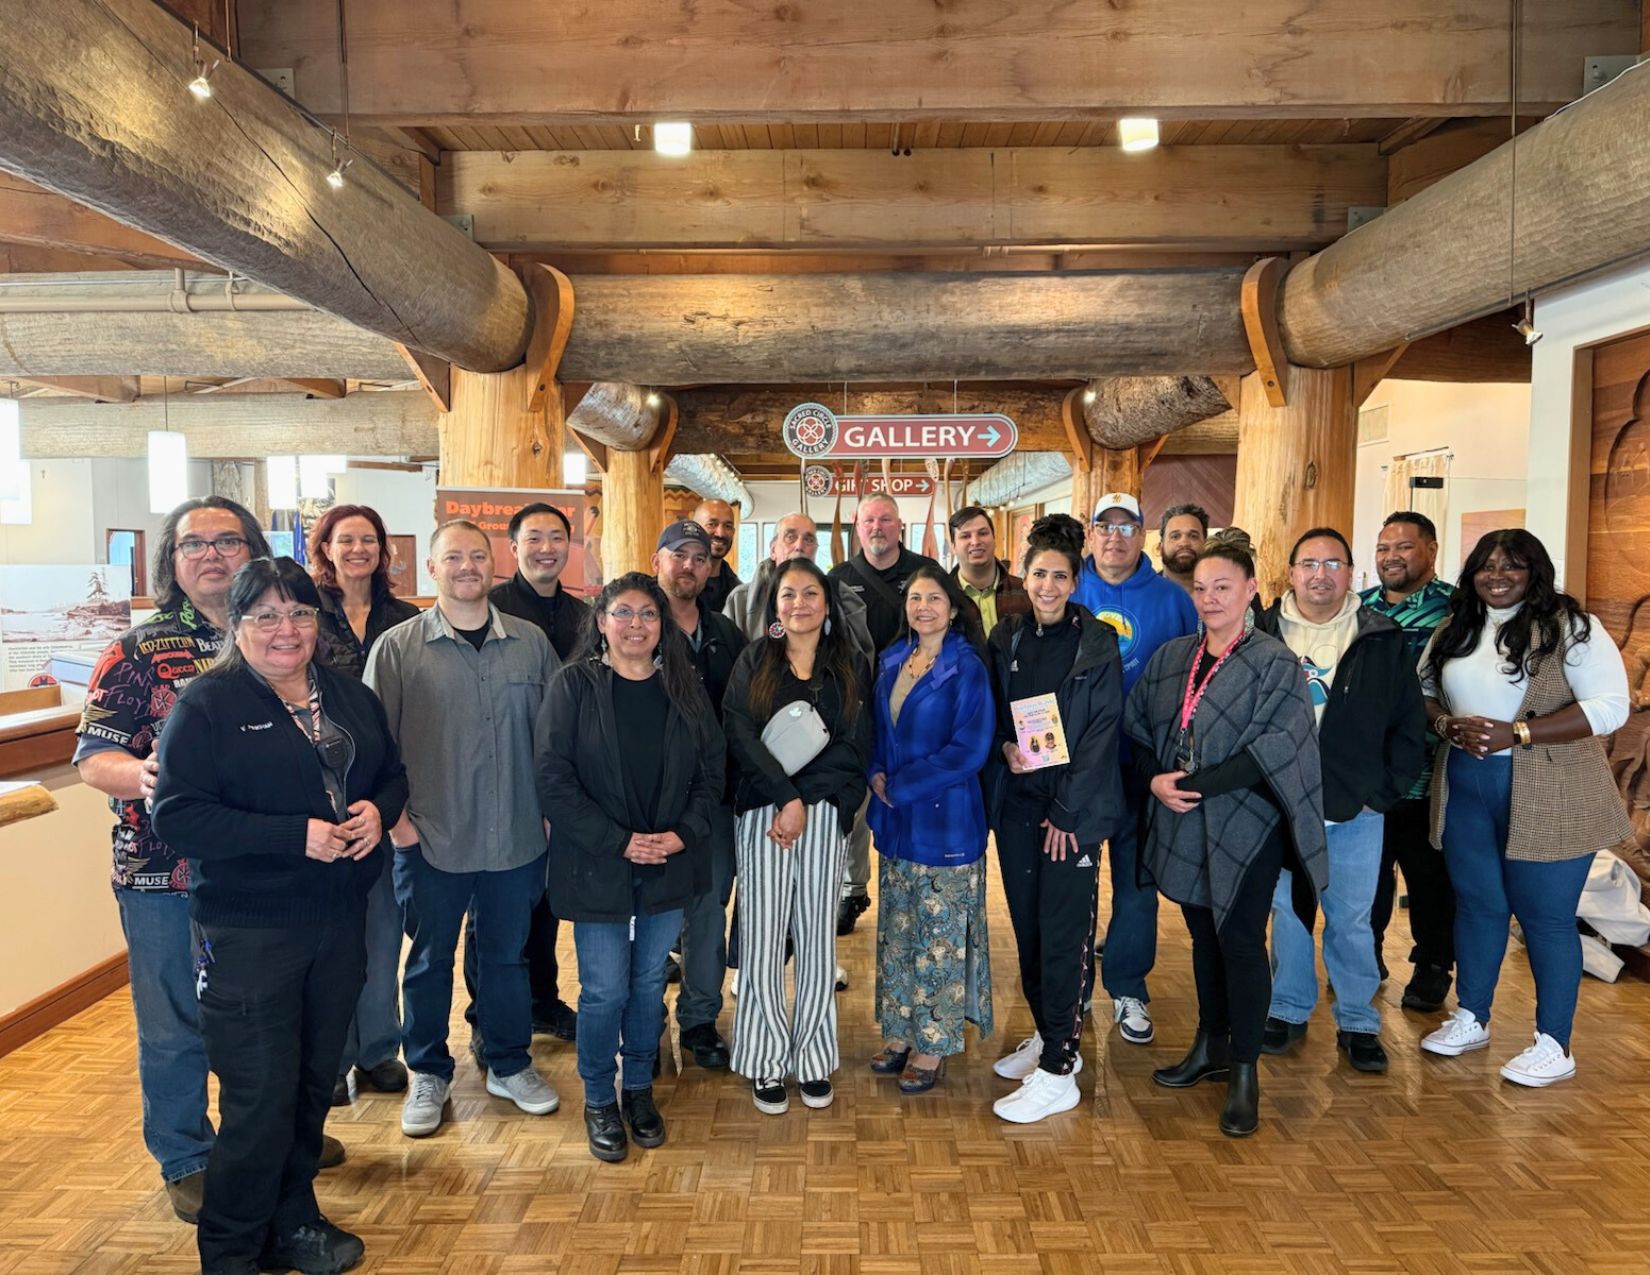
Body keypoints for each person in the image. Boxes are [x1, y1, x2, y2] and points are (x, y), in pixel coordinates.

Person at [151, 557, 407, 1275]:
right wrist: (291, 833)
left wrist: (376, 814)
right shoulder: (209, 704)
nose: (284, 629)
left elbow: (393, 772)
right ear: (236, 627)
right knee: (259, 1098)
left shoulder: (349, 696)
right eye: (263, 615)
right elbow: (179, 815)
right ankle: (232, 1250)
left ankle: (294, 1218)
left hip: (337, 921)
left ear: (317, 622)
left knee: (309, 1084)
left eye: (297, 612)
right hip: (251, 931)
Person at [74, 497, 289, 1227]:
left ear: (252, 549)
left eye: (228, 540)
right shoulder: (139, 650)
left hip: (266, 868)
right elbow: (94, 757)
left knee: (262, 1014)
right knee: (174, 1019)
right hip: (163, 873)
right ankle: (187, 1154)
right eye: (193, 543)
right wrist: (147, 776)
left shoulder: (283, 633)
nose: (211, 554)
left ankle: (263, 1139)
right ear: (171, 561)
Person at [364, 520, 562, 1139]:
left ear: (493, 565)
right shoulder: (396, 649)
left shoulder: (530, 644)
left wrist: (553, 812)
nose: (467, 567)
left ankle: (507, 1061)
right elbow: (374, 749)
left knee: (507, 956)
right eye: (453, 557)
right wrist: (397, 826)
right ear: (431, 568)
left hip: (518, 836)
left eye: (478, 556)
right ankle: (428, 1070)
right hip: (430, 836)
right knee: (427, 961)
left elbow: (558, 735)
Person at [1125, 541, 1327, 1137]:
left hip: (1247, 820)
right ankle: (1210, 1047)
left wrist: (1191, 783)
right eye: (1201, 589)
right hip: (1183, 814)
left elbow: (1275, 747)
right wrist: (1153, 780)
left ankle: (1245, 1071)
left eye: (1222, 587)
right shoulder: (1171, 658)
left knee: (1238, 939)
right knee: (1201, 937)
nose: (1210, 598)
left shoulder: (1275, 662)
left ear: (1250, 591)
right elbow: (1136, 728)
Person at [1418, 530, 1632, 1086]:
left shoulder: (1572, 628)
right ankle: (1472, 1015)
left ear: (1535, 571)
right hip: (1466, 782)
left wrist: (1519, 733)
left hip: (1550, 785)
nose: (1497, 575)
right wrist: (1444, 722)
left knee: (1546, 917)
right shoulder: (1455, 627)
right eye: (1487, 565)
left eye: (1512, 565)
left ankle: (1554, 1043)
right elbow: (1423, 689)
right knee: (1478, 905)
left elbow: (1612, 707)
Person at [536, 572, 724, 1161]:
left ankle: (638, 1088)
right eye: (623, 613)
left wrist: (680, 835)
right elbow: (553, 779)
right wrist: (620, 841)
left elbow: (711, 775)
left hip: (669, 862)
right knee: (603, 989)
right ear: (601, 621)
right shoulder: (573, 686)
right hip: (598, 863)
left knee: (647, 984)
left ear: (662, 626)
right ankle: (598, 1095)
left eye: (648, 614)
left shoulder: (684, 685)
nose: (636, 625)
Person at [1256, 527, 1426, 1074]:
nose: (1320, 574)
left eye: (1333, 564)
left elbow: (1408, 723)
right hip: (1281, 804)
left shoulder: (1380, 636)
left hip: (1357, 806)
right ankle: (1287, 1009)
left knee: (1351, 918)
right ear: (1292, 571)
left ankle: (1357, 1020)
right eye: (1309, 563)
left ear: (1352, 573)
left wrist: (1384, 794)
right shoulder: (1262, 631)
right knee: (1286, 912)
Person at [984, 514, 1125, 1124]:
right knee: (1031, 930)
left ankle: (1061, 1069)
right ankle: (1048, 1034)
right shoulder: (1007, 639)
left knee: (1066, 935)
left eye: (1059, 576)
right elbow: (992, 711)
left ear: (1075, 580)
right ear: (1026, 572)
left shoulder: (1097, 644)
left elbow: (1100, 735)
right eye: (1039, 573)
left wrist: (1068, 813)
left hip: (1073, 814)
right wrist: (1003, 747)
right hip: (1018, 806)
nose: (1047, 585)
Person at [722, 557, 872, 1115]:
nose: (799, 604)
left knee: (815, 943)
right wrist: (784, 799)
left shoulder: (850, 665)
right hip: (763, 815)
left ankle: (811, 1060)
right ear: (775, 604)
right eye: (789, 594)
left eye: (811, 594)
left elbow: (855, 748)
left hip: (823, 818)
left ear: (827, 604)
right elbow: (738, 731)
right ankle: (764, 1059)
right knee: (761, 944)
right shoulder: (755, 659)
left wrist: (809, 804)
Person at [1071, 492, 1199, 1046]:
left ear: (1143, 535)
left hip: (1144, 764)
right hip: (1078, 768)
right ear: (1091, 533)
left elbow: (1196, 675)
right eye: (1106, 526)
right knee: (1071, 882)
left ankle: (1127, 986)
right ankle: (1067, 989)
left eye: (1128, 527)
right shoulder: (1066, 587)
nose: (1116, 537)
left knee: (1136, 882)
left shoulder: (1173, 599)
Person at [306, 504, 419, 1109]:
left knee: (381, 931)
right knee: (327, 943)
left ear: (383, 550)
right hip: (313, 801)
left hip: (382, 797)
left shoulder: (405, 619)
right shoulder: (304, 615)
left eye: (368, 540)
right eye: (345, 539)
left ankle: (379, 1049)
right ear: (325, 547)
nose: (357, 550)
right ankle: (332, 1058)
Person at [867, 566, 996, 1093]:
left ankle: (932, 1043)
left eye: (934, 598)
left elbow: (970, 749)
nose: (924, 607)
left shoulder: (966, 667)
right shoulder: (893, 658)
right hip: (897, 821)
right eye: (915, 598)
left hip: (946, 822)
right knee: (898, 932)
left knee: (939, 940)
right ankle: (899, 1031)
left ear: (952, 605)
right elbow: (878, 729)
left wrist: (902, 785)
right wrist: (875, 770)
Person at [468, 500, 587, 1051]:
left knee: (545, 902)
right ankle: (484, 1016)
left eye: (556, 538)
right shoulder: (489, 608)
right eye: (533, 538)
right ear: (512, 548)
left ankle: (542, 1000)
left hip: (563, 781)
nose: (546, 548)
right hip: (502, 779)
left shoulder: (583, 614)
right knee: (495, 911)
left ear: (570, 546)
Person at [653, 519, 747, 1069]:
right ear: (659, 558)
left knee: (709, 909)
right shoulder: (634, 623)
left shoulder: (726, 636)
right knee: (652, 916)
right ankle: (645, 1021)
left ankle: (700, 1020)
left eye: (700, 557)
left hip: (714, 802)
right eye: (679, 554)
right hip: (649, 804)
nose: (689, 565)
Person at [830, 495, 944, 934]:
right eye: (868, 520)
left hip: (913, 711)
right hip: (855, 709)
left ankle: (915, 887)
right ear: (858, 528)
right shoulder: (837, 579)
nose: (876, 527)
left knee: (910, 796)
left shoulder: (924, 575)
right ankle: (851, 887)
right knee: (853, 804)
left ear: (900, 526)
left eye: (885, 519)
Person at [1360, 511, 1458, 1011]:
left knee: (1428, 877)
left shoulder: (1456, 609)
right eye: (1383, 548)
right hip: (1367, 773)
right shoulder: (1358, 608)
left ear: (1431, 550)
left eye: (1403, 547)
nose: (1391, 557)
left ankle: (1433, 965)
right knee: (1367, 876)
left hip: (1429, 771)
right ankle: (1365, 955)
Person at [947, 504, 1030, 634]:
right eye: (965, 536)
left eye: (983, 533)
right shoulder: (944, 597)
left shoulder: (1025, 591)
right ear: (953, 547)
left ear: (994, 539)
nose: (975, 542)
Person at [693, 498, 743, 613]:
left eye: (728, 526)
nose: (720, 533)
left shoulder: (737, 592)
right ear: (695, 528)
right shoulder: (675, 584)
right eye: (712, 524)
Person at [1158, 503, 1210, 594]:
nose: (1184, 543)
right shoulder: (1142, 594)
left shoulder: (1223, 591)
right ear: (1160, 547)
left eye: (1193, 536)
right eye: (1175, 536)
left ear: (1206, 545)